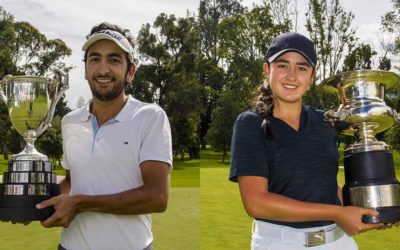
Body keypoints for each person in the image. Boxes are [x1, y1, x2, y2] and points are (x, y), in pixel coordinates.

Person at [229, 32, 385, 250]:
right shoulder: (250, 123)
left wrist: (376, 209)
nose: (292, 76)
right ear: (267, 69)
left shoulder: (325, 121)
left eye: (302, 68)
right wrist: (336, 212)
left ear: (311, 75)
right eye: (283, 65)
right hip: (280, 244)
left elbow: (327, 186)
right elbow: (256, 203)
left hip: (339, 243)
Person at [36, 22, 172, 250]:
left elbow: (157, 196)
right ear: (86, 70)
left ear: (131, 72)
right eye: (95, 59)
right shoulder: (70, 121)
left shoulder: (150, 117)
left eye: (114, 60)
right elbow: (72, 181)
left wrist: (80, 204)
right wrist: (28, 198)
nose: (103, 69)